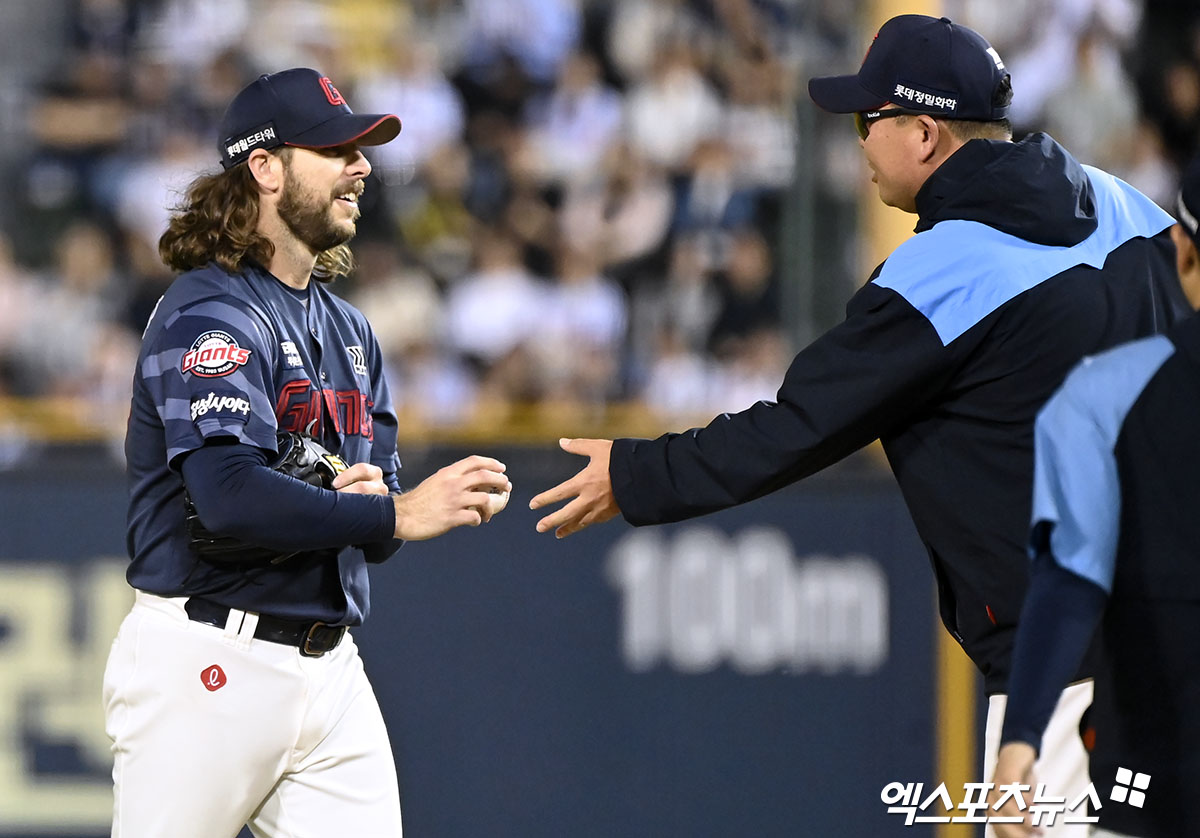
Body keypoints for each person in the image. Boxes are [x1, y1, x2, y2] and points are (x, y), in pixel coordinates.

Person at [529, 14, 1192, 834]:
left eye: (865, 120)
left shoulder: (944, 270)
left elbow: (793, 427)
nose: (858, 141)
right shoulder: (1128, 207)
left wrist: (633, 475)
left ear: (923, 132)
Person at [105, 68, 512, 838]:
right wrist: (391, 510)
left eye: (361, 149)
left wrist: (375, 509)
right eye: (334, 148)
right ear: (264, 168)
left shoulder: (353, 334)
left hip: (329, 672)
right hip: (207, 663)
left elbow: (371, 528)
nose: (361, 165)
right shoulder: (209, 312)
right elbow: (226, 497)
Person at [989, 156, 1200, 837]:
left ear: (1181, 251)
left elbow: (1071, 579)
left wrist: (1021, 737)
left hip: (1154, 786)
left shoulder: (1104, 395)